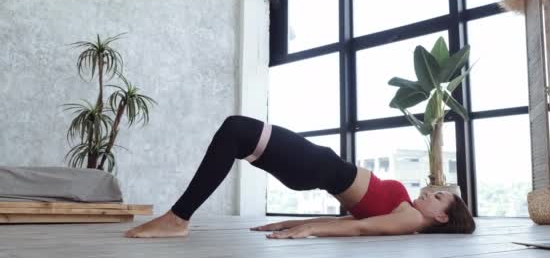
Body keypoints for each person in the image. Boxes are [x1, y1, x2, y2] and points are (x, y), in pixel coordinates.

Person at [124, 115, 475, 238]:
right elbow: (353, 219)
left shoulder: (411, 219)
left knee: (235, 129)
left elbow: (359, 228)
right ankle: (178, 216)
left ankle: (178, 217)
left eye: (439, 197)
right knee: (235, 136)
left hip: (316, 167)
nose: (431, 192)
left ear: (442, 216)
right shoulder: (406, 214)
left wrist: (307, 230)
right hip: (316, 168)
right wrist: (293, 222)